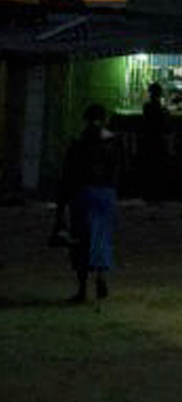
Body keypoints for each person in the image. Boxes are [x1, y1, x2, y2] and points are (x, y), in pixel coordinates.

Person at [53, 103, 122, 303]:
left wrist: (61, 207)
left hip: (83, 192)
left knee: (80, 240)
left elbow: (68, 175)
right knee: (101, 236)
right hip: (106, 193)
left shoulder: (78, 143)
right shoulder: (114, 143)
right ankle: (101, 277)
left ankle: (82, 288)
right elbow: (119, 171)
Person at [137, 82, 170, 201]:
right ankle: (157, 193)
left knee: (149, 167)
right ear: (159, 94)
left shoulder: (147, 106)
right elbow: (165, 125)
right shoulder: (160, 108)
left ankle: (148, 193)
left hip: (148, 139)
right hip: (157, 140)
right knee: (157, 167)